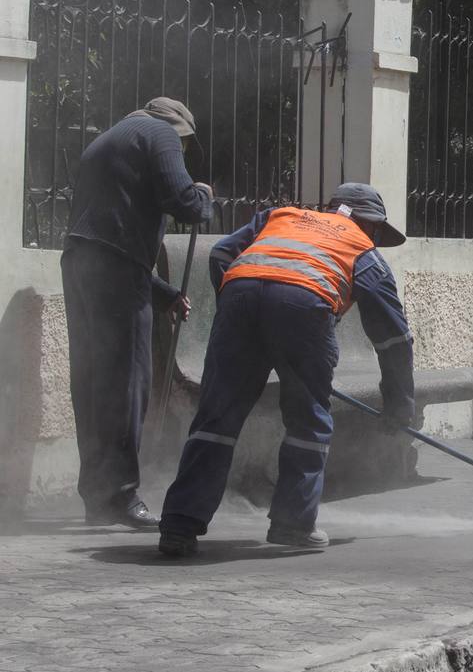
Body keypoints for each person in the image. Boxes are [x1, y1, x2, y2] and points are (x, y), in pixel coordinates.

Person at [157, 183, 415, 556]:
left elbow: (221, 254)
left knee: (216, 418)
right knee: (308, 421)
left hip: (239, 299)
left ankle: (179, 525)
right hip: (304, 307)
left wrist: (240, 310)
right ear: (368, 222)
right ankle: (293, 524)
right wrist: (398, 405)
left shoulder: (280, 216)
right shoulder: (364, 250)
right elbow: (393, 339)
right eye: (376, 229)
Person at [61, 97, 214, 528]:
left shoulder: (108, 141)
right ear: (179, 129)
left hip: (81, 265)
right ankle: (122, 497)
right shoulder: (160, 133)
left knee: (92, 384)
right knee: (128, 383)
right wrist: (203, 196)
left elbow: (109, 234)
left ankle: (98, 497)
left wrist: (162, 293)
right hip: (114, 272)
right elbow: (182, 199)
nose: (181, 151)